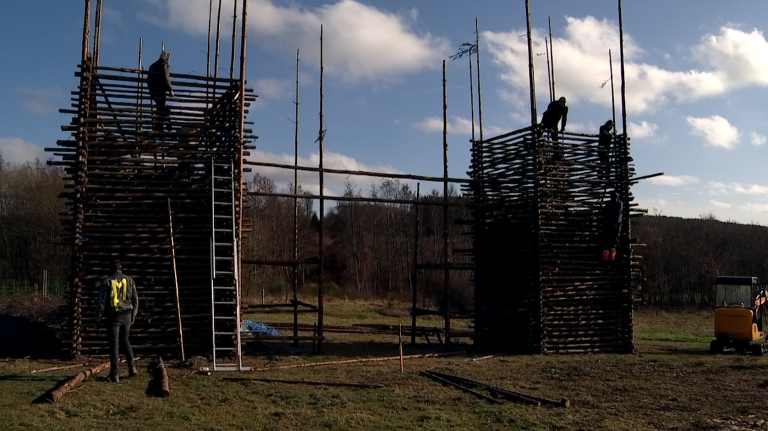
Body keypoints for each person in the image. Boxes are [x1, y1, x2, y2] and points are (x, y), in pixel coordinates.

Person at [95, 259, 139, 382]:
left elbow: (101, 302)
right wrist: (133, 315)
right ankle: (132, 368)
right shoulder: (129, 279)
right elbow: (135, 299)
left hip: (113, 315)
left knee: (114, 343)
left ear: (110, 268)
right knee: (125, 340)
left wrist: (97, 317)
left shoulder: (107, 281)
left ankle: (114, 374)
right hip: (127, 314)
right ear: (121, 267)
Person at [147, 50, 174, 132]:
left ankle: (161, 127)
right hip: (160, 90)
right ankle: (163, 126)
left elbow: (148, 80)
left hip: (154, 91)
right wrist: (170, 89)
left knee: (160, 107)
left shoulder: (153, 66)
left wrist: (151, 91)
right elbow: (166, 78)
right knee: (162, 108)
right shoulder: (164, 66)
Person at [600, 190, 623, 261]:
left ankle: (605, 258)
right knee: (614, 241)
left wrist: (601, 209)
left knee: (606, 241)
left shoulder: (609, 203)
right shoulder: (620, 203)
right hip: (618, 225)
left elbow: (604, 212)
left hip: (609, 224)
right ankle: (612, 258)